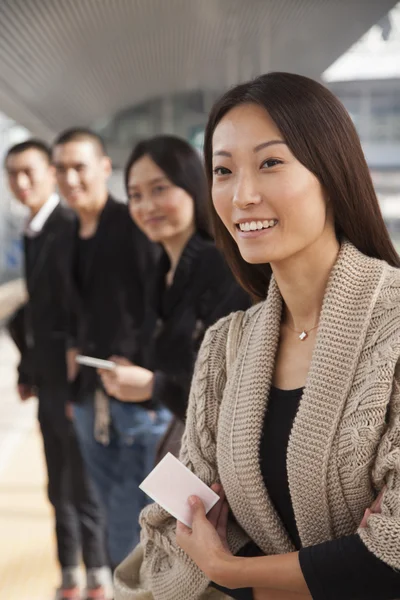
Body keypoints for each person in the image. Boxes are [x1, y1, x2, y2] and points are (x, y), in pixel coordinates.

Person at [116, 73, 400, 600]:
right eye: (222, 171)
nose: (242, 195)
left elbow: (392, 553)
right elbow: (176, 526)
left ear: (332, 172)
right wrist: (329, 565)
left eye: (270, 163)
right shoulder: (228, 343)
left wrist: (236, 572)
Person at [51, 128, 165, 570]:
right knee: (110, 512)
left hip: (139, 400)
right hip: (87, 399)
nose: (69, 177)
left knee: (138, 522)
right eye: (60, 168)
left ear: (103, 167)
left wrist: (148, 370)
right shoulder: (66, 235)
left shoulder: (135, 225)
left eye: (78, 166)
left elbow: (164, 304)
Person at [99, 135, 251, 462]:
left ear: (194, 187)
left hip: (226, 458)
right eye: (135, 195)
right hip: (184, 439)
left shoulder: (224, 266)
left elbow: (229, 386)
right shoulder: (161, 271)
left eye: (160, 189)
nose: (146, 206)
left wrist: (154, 386)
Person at [5, 140, 108, 600]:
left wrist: (76, 387)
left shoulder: (69, 226)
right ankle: (70, 573)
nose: (20, 183)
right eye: (12, 175)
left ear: (50, 172)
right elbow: (36, 312)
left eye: (29, 172)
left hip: (74, 385)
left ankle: (99, 574)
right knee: (57, 480)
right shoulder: (34, 227)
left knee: (82, 483)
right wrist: (29, 369)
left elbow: (83, 313)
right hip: (49, 380)